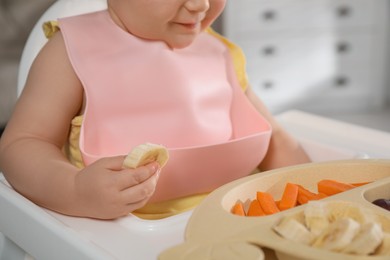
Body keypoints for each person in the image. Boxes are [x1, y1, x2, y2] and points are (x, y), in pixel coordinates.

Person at [0, 0, 310, 220]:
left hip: (243, 219)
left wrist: (323, 197)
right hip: (129, 237)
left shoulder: (220, 52)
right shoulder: (68, 51)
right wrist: (75, 191)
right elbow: (22, 143)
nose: (201, 5)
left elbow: (277, 141)